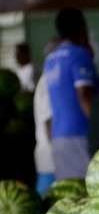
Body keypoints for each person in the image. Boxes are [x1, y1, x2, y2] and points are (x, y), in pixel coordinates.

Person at [42, 9, 96, 182]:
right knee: (87, 187)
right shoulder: (78, 54)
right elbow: (84, 95)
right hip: (79, 133)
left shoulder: (50, 59)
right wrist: (98, 128)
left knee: (68, 189)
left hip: (58, 135)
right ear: (81, 26)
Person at [33, 40, 60, 195]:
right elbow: (48, 121)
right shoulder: (48, 81)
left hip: (51, 153)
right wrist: (59, 152)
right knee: (46, 197)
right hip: (50, 154)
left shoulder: (50, 79)